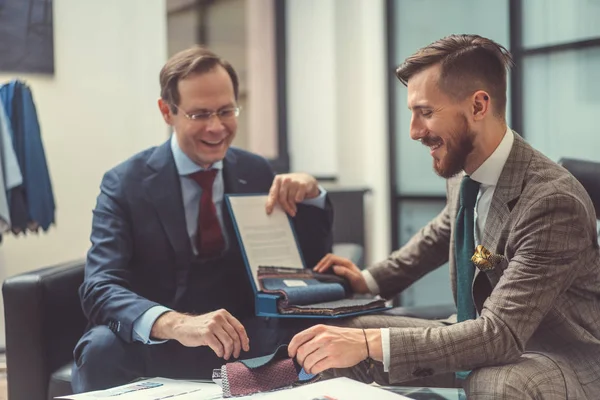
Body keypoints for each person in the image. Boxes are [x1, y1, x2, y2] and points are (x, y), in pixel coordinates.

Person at [288, 34, 600, 399]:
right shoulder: (463, 171)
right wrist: (367, 282)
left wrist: (370, 342)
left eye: (426, 112)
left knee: (495, 385)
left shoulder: (551, 201)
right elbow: (438, 236)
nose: (414, 131)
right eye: (412, 114)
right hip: (479, 332)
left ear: (478, 106)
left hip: (558, 352)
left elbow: (500, 334)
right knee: (335, 339)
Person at [71, 46, 333, 393]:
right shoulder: (124, 183)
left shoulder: (255, 171)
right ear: (167, 112)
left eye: (226, 111)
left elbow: (305, 265)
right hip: (160, 337)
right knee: (99, 349)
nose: (216, 127)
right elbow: (99, 287)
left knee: (310, 334)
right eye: (199, 115)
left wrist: (313, 197)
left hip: (241, 337)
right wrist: (176, 324)